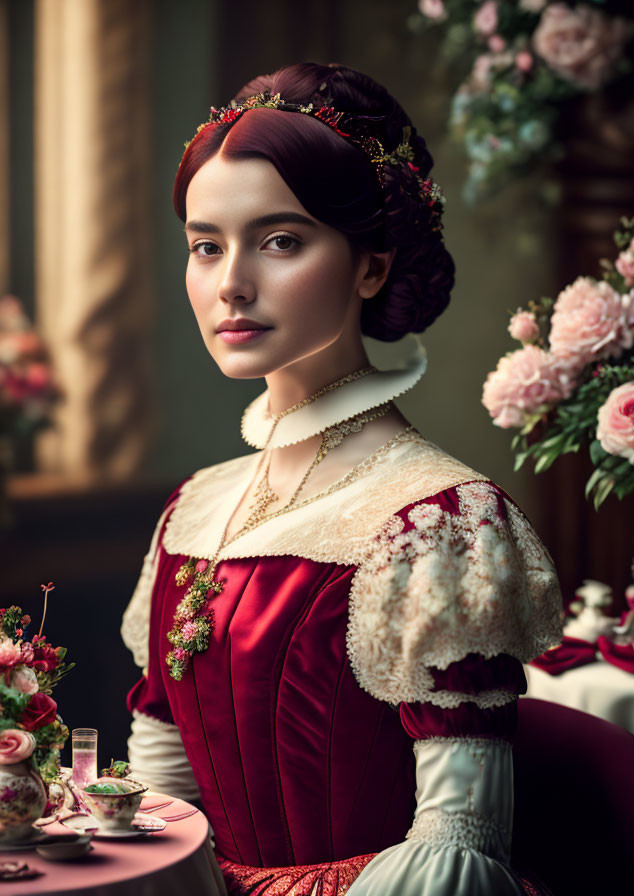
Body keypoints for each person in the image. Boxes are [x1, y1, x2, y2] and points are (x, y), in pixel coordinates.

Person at [121, 62, 563, 896]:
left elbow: (459, 844)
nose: (231, 285)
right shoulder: (194, 505)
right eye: (206, 246)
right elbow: (160, 792)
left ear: (371, 267)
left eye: (280, 241)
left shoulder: (440, 519)